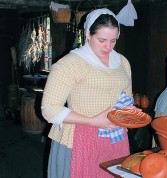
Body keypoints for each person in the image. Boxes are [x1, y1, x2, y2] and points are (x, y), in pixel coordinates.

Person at [41, 8, 140, 178]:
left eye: (113, 40)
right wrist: (93, 121)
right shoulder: (70, 64)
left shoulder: (122, 62)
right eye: (101, 40)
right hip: (79, 137)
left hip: (114, 137)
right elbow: (49, 109)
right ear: (88, 34)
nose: (108, 46)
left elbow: (126, 97)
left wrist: (129, 111)